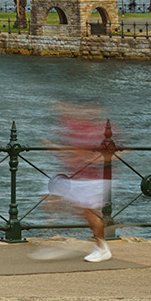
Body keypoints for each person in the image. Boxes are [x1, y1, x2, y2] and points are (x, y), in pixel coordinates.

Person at [38, 102, 112, 262]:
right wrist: (53, 146)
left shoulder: (93, 130)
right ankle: (48, 241)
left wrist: (94, 159)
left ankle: (102, 247)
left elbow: (80, 153)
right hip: (76, 176)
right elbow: (72, 151)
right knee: (50, 201)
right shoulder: (74, 126)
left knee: (90, 214)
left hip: (91, 180)